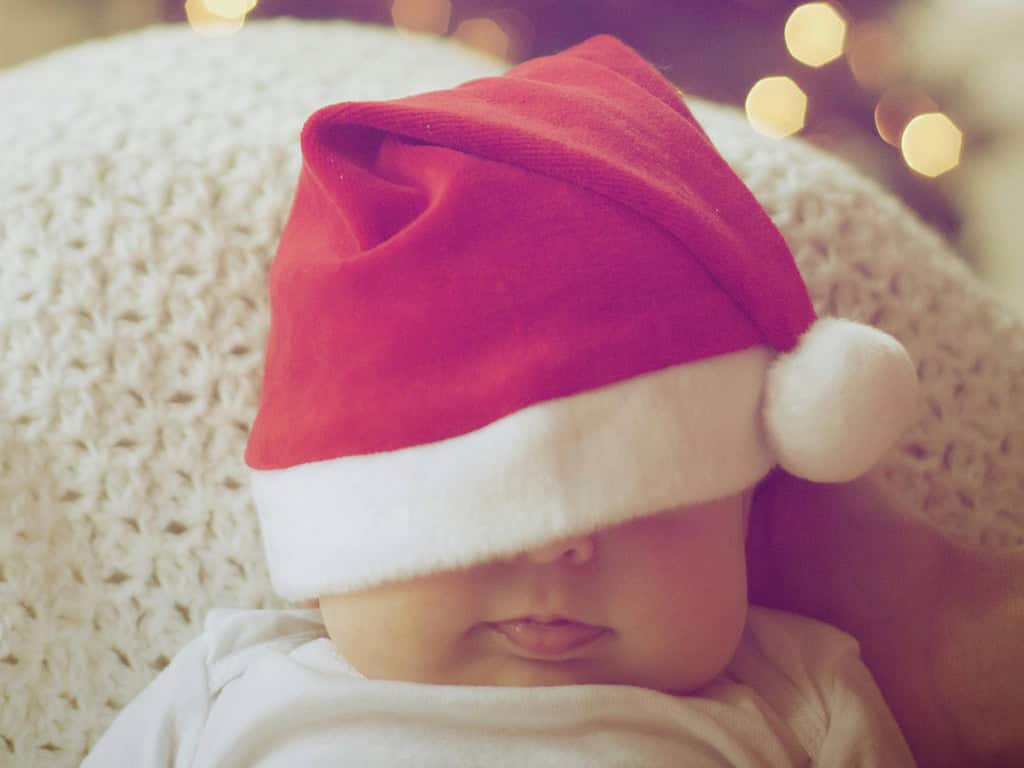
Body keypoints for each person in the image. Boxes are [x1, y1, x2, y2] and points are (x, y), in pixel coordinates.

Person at [84, 33, 1015, 766]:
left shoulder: (796, 695)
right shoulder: (234, 681)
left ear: (746, 504)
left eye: (636, 485)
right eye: (476, 488)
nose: (556, 541)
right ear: (335, 518)